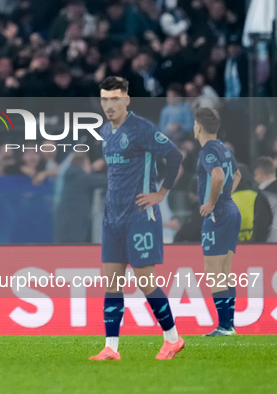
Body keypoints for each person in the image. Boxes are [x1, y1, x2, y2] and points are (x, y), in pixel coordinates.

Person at [90, 76, 184, 361]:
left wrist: (161, 193)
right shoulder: (105, 131)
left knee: (146, 281)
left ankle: (173, 339)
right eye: (105, 99)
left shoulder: (142, 128)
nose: (109, 105)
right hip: (112, 218)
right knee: (111, 283)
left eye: (115, 98)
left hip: (140, 217)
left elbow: (175, 155)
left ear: (126, 100)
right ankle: (111, 348)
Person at [194, 107, 242, 336]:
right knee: (224, 271)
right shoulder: (224, 148)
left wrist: (213, 202)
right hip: (232, 210)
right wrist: (225, 197)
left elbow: (218, 175)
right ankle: (229, 325)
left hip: (219, 214)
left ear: (199, 127)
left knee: (213, 271)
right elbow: (238, 175)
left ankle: (224, 326)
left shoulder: (208, 150)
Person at [251, 157, 277, 243]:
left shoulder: (264, 195)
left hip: (270, 245)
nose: (255, 179)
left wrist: (255, 243)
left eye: (255, 175)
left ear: (260, 173)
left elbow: (261, 225)